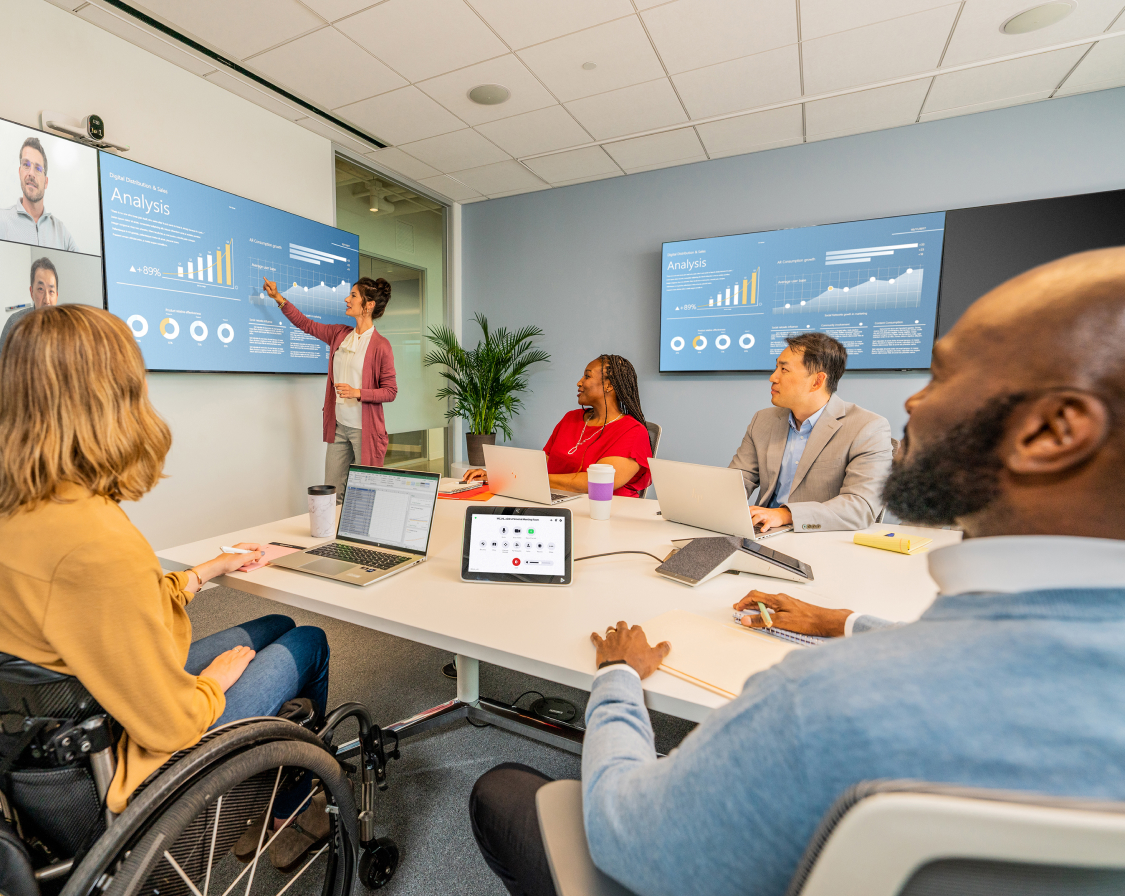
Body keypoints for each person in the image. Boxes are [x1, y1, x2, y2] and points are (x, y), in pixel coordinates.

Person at [468, 246, 1125, 896]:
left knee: (500, 790)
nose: (917, 403)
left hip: (809, 562)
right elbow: (730, 483)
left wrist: (615, 682)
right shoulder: (765, 423)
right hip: (775, 568)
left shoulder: (817, 697)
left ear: (1053, 430)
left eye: (945, 375)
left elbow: (626, 835)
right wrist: (852, 623)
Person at [0, 304, 330, 868]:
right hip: (124, 754)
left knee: (273, 624)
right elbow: (170, 722)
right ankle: (290, 812)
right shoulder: (96, 541)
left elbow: (89, 611)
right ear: (111, 396)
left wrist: (202, 572)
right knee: (307, 642)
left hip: (49, 739)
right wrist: (214, 684)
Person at [729, 331, 891, 532]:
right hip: (762, 532)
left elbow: (860, 507)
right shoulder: (763, 420)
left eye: (784, 369)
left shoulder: (867, 427)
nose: (773, 377)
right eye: (776, 367)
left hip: (820, 538)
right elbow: (736, 481)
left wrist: (787, 515)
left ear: (817, 381)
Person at [262, 276, 397, 503]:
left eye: (353, 295)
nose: (347, 299)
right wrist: (278, 298)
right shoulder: (339, 334)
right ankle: (334, 538)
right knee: (332, 495)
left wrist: (359, 393)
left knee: (365, 495)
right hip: (339, 428)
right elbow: (306, 324)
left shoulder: (381, 345)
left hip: (366, 430)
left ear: (369, 305)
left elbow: (390, 391)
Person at [464, 354, 654, 497]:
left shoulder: (633, 432)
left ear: (609, 386)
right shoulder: (571, 419)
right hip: (555, 502)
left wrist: (520, 479)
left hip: (605, 517)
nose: (579, 382)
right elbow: (543, 463)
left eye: (587, 376)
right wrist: (498, 474)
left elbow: (595, 482)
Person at [0, 137, 79, 252]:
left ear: (46, 182)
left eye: (38, 168)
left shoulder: (61, 232)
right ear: (19, 172)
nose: (31, 173)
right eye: (26, 165)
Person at [0, 257, 58, 363]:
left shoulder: (68, 328)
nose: (46, 300)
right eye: (40, 289)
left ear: (56, 295)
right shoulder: (14, 324)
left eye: (51, 291)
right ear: (31, 292)